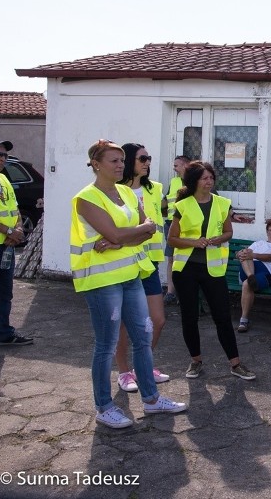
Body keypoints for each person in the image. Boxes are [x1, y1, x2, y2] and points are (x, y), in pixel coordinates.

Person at [70, 139, 187, 428]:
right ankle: (104, 406)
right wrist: (124, 235)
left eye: (122, 160)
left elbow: (148, 229)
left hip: (131, 274)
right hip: (102, 281)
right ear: (96, 164)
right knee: (106, 345)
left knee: (143, 337)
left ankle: (151, 398)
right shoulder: (87, 197)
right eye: (114, 160)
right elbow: (127, 232)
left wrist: (119, 238)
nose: (121, 165)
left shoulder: (126, 191)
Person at [167, 161, 256, 381]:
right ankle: (195, 361)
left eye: (211, 178)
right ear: (194, 181)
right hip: (186, 269)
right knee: (189, 317)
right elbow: (172, 239)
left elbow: (228, 232)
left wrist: (218, 239)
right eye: (204, 178)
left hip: (212, 270)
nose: (209, 181)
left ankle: (235, 364)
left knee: (223, 317)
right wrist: (194, 243)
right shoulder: (182, 205)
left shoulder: (222, 203)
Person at [113, 144, 170, 392]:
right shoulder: (114, 191)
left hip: (149, 265)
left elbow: (163, 218)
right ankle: (124, 372)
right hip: (125, 263)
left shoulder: (155, 189)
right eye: (142, 158)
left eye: (149, 158)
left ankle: (142, 368)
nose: (147, 163)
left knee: (157, 320)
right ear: (129, 162)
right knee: (126, 324)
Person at [0, 140, 31, 346]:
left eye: (4, 156)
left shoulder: (3, 178)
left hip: (7, 246)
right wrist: (9, 231)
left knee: (4, 292)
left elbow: (14, 209)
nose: (2, 159)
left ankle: (4, 333)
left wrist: (18, 229)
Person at [236, 218, 271, 332]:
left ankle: (243, 320)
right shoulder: (258, 243)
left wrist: (252, 255)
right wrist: (240, 253)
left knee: (247, 284)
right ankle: (251, 277)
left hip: (268, 274)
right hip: (249, 271)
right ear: (267, 232)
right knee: (246, 253)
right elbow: (244, 254)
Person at [163, 155, 189, 305]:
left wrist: (232, 213)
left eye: (176, 165)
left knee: (185, 260)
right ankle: (171, 292)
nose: (174, 168)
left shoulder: (196, 180)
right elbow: (166, 201)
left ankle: (184, 292)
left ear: (185, 165)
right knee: (171, 258)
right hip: (171, 224)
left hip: (187, 226)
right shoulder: (173, 182)